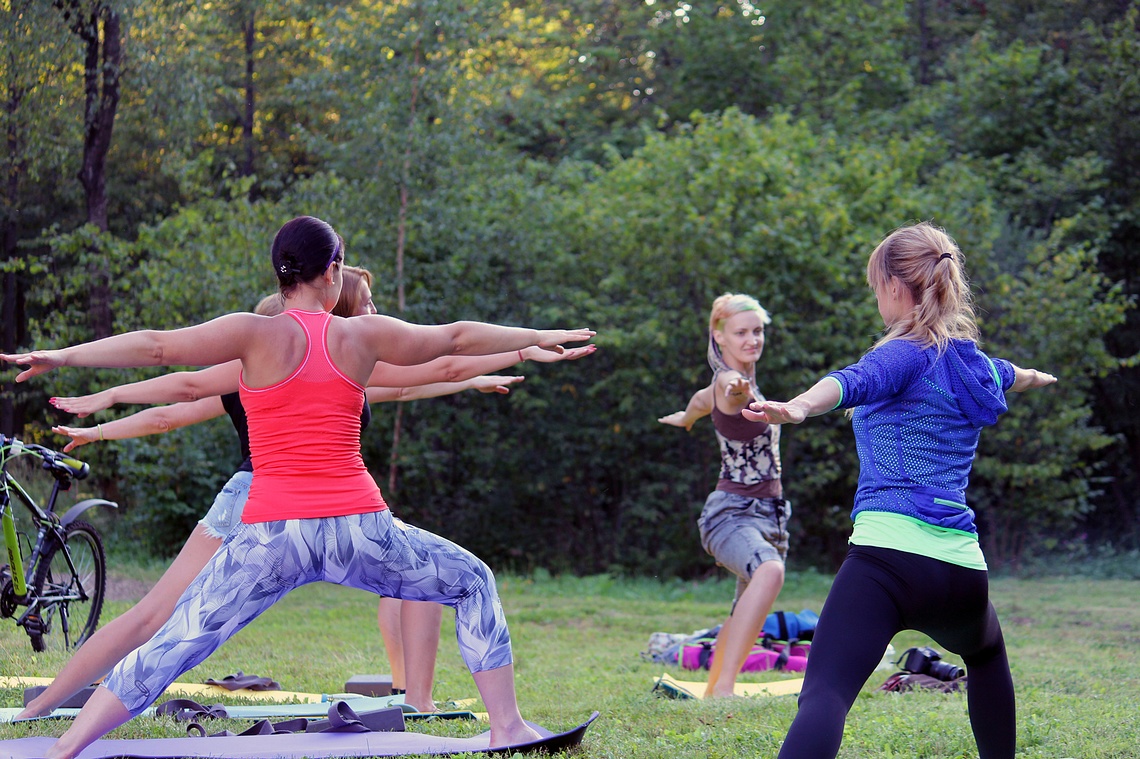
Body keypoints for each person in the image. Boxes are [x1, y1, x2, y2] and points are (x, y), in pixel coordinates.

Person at [1, 214, 594, 758]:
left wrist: (63, 355)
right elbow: (457, 339)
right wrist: (538, 334)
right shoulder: (360, 338)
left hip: (271, 537)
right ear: (332, 272)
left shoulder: (253, 336)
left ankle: (66, 747)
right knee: (472, 582)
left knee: (176, 639)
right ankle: (509, 727)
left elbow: (156, 347)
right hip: (358, 531)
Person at [741, 222, 1056, 759]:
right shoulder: (974, 365)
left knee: (826, 693)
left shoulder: (905, 352)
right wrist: (1034, 377)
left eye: (876, 286)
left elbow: (851, 381)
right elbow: (1012, 375)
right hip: (959, 569)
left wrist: (796, 407)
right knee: (985, 654)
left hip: (887, 562)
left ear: (894, 286)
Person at [659, 293, 788, 698]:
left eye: (757, 331)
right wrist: (735, 387)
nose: (752, 339)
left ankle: (720, 686)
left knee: (746, 605)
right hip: (731, 514)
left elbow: (700, 402)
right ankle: (723, 691)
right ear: (720, 337)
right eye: (741, 333)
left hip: (771, 516)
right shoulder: (729, 383)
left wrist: (686, 418)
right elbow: (725, 390)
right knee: (769, 573)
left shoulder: (733, 384)